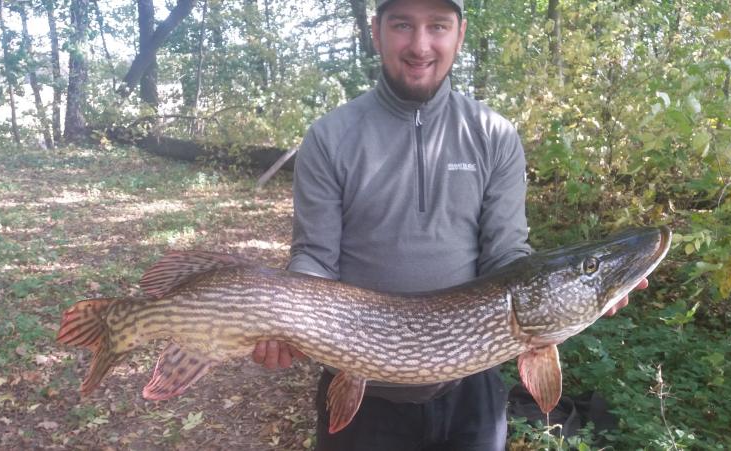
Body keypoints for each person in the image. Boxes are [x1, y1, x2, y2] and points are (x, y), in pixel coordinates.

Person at [252, 0, 648, 449]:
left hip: (470, 396)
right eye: (403, 25)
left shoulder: (493, 134)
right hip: (361, 398)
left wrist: (584, 294)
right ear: (376, 31)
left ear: (460, 34)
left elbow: (507, 257)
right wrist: (286, 320)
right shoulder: (330, 137)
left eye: (438, 26)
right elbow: (315, 257)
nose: (420, 45)